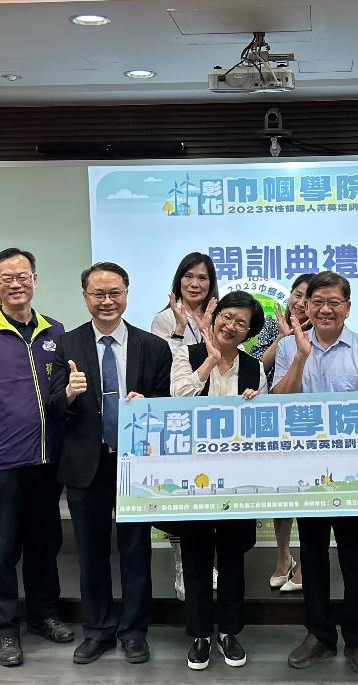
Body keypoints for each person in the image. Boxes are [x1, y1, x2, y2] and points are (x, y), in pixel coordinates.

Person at [46, 262, 172, 666]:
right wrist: (67, 394)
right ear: (85, 297)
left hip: (136, 464)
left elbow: (170, 407)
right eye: (98, 294)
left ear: (127, 293)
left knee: (136, 551)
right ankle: (97, 630)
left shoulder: (153, 347)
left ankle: (134, 632)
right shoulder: (67, 344)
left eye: (114, 292)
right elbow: (50, 406)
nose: (106, 301)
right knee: (92, 552)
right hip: (87, 462)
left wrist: (149, 406)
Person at [0, 249, 72, 667]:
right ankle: (5, 629)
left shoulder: (55, 331)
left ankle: (43, 614)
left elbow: (59, 397)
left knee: (45, 543)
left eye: (23, 275)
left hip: (46, 460)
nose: (15, 283)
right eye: (6, 278)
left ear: (35, 280)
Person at [273, 271, 358, 675]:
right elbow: (278, 403)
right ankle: (319, 634)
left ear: (347, 307)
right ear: (305, 307)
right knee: (314, 554)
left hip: (354, 474)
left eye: (333, 302)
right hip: (304, 473)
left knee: (357, 556)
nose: (324, 309)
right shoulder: (290, 348)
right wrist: (302, 355)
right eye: (316, 301)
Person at [169, 291, 267, 670]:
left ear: (248, 332)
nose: (231, 326)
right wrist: (210, 360)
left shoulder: (253, 366)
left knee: (232, 557)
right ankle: (199, 633)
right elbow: (178, 397)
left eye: (240, 323)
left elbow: (263, 423)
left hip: (238, 480)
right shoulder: (187, 354)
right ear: (213, 318)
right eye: (226, 317)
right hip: (192, 478)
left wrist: (253, 403)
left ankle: (228, 631)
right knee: (195, 556)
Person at [149, 252, 220, 601]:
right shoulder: (163, 319)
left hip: (217, 418)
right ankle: (183, 566)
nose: (195, 283)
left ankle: (211, 563)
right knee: (184, 501)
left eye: (203, 277)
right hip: (179, 417)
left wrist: (210, 328)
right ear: (179, 281)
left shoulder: (219, 314)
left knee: (215, 494)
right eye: (189, 276)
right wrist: (180, 328)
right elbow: (163, 368)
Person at [251, 272, 313, 594]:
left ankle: (305, 562)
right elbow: (256, 362)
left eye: (308, 297)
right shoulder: (273, 325)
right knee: (282, 491)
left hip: (311, 423)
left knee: (308, 492)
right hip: (273, 415)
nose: (301, 303)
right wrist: (284, 337)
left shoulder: (322, 328)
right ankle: (282, 556)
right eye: (297, 295)